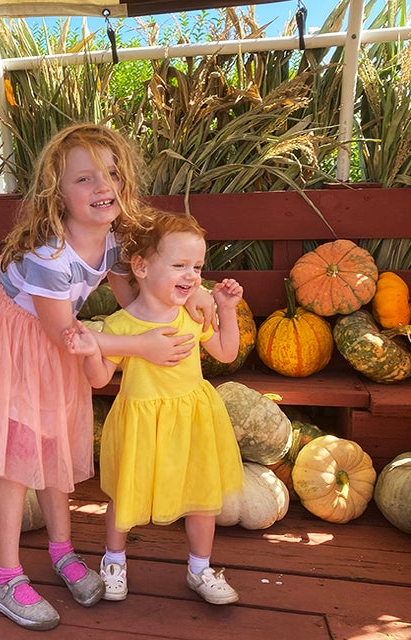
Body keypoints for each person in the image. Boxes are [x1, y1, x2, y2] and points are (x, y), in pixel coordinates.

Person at [0, 123, 213, 631]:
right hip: (15, 339)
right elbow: (63, 335)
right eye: (84, 179)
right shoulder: (50, 257)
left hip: (63, 338)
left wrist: (192, 294)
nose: (103, 186)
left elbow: (135, 298)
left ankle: (61, 551)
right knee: (16, 458)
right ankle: (5, 576)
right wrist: (138, 347)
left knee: (53, 440)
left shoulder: (120, 239)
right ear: (56, 195)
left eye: (112, 173)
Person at [65, 211, 245, 606]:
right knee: (125, 495)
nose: (192, 275)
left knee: (201, 496)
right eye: (179, 265)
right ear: (142, 267)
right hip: (141, 423)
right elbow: (98, 380)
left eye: (197, 266)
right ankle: (113, 562)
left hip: (193, 419)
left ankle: (201, 569)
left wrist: (226, 309)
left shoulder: (193, 314)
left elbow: (227, 352)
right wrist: (89, 351)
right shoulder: (120, 324)